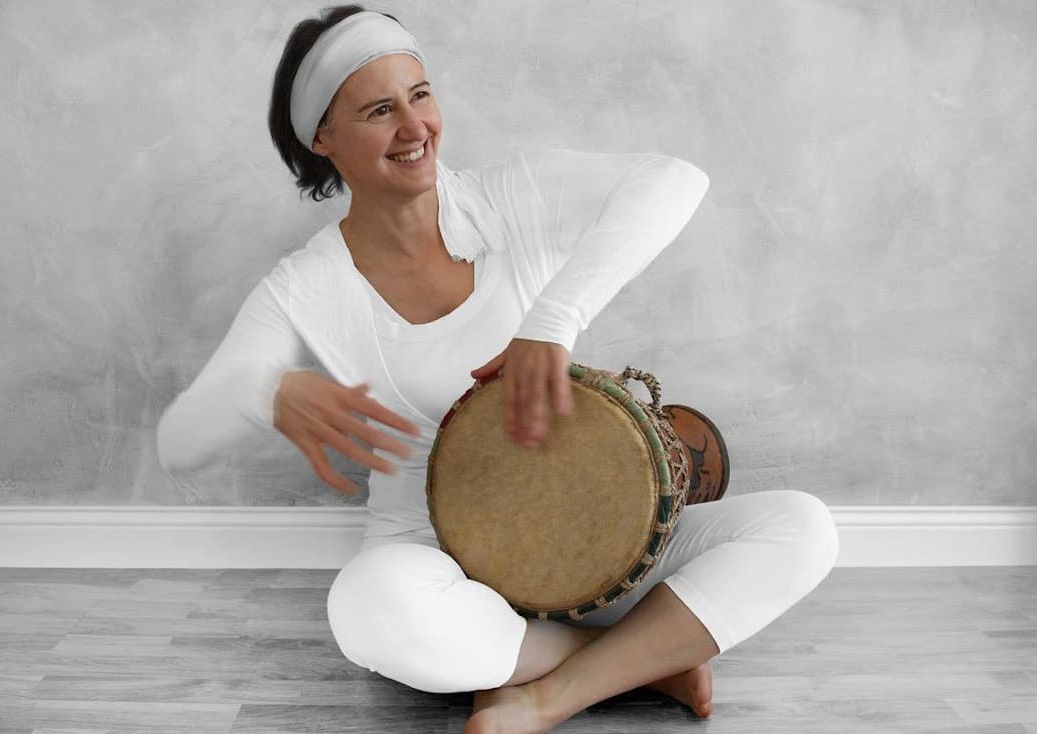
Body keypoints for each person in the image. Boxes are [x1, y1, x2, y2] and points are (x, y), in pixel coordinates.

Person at [156, 5, 839, 733]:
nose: (416, 128)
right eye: (380, 110)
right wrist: (269, 389)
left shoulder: (512, 198)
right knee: (364, 610)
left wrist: (552, 322)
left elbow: (675, 180)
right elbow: (180, 439)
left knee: (803, 527)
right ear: (323, 137)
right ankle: (643, 658)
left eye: (420, 95)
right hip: (437, 565)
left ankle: (549, 691)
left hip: (591, 546)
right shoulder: (304, 286)